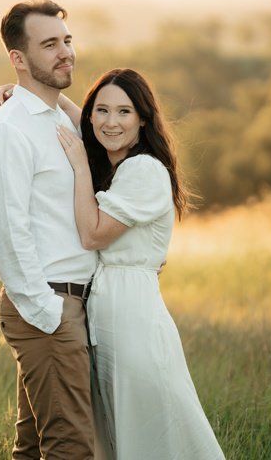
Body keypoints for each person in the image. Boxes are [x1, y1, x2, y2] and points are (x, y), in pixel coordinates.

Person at [49, 68, 224, 459]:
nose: (112, 122)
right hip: (109, 310)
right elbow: (92, 124)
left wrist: (79, 165)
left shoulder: (143, 170)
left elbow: (93, 235)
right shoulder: (118, 164)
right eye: (103, 110)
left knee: (151, 428)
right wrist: (35, 93)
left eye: (125, 112)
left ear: (143, 119)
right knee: (118, 430)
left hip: (133, 316)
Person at [0, 0, 98, 458]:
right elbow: (8, 233)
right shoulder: (9, 131)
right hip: (48, 304)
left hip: (71, 303)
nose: (65, 51)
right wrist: (47, 313)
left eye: (66, 40)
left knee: (34, 447)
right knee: (73, 448)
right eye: (49, 44)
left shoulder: (60, 121)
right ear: (18, 59)